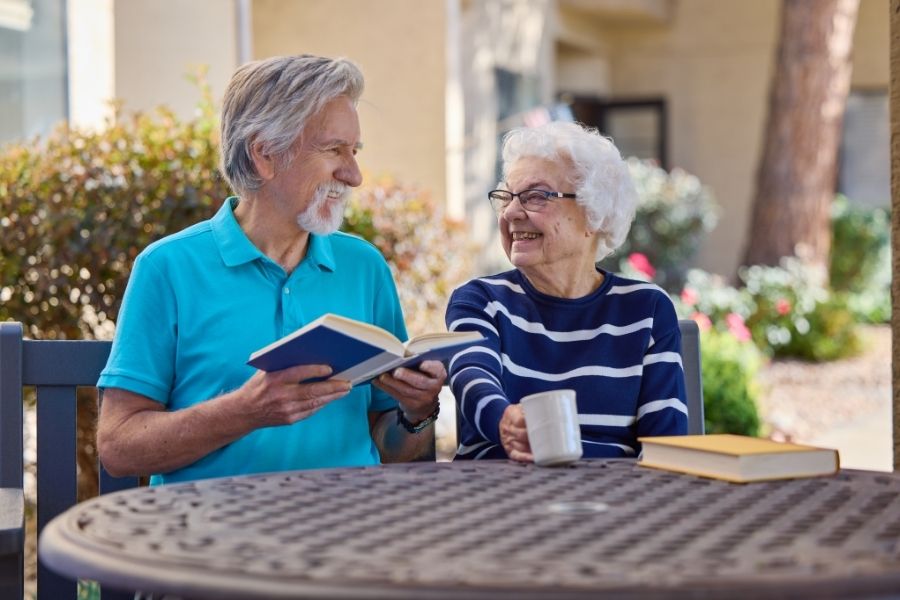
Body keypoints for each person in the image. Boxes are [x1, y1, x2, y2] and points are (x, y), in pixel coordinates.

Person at [96, 55, 445, 485]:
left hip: (350, 532)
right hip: (209, 539)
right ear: (264, 154)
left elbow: (394, 452)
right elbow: (118, 446)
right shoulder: (167, 268)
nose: (354, 175)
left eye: (354, 152)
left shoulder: (364, 267)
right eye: (334, 150)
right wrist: (243, 412)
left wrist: (417, 411)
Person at [445, 121, 687, 462]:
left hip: (614, 503)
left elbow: (667, 448)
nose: (511, 212)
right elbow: (473, 380)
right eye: (506, 197)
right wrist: (505, 422)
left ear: (594, 214)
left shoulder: (645, 311)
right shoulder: (481, 301)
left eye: (534, 197)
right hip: (498, 497)